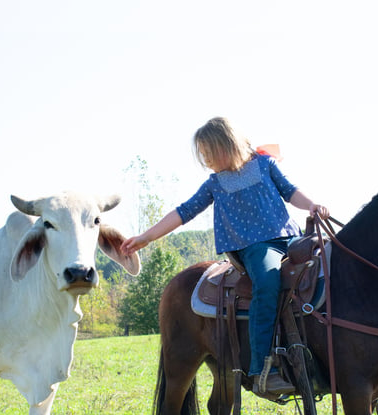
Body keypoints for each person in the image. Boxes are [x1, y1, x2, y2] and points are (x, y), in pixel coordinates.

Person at [120, 117, 329, 396]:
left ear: (226, 146)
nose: (205, 159)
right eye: (202, 154)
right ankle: (262, 369)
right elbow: (184, 212)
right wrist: (146, 237)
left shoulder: (265, 165)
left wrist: (312, 205)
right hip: (254, 247)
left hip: (289, 238)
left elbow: (291, 192)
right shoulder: (214, 184)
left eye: (208, 152)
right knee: (267, 283)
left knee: (329, 264)